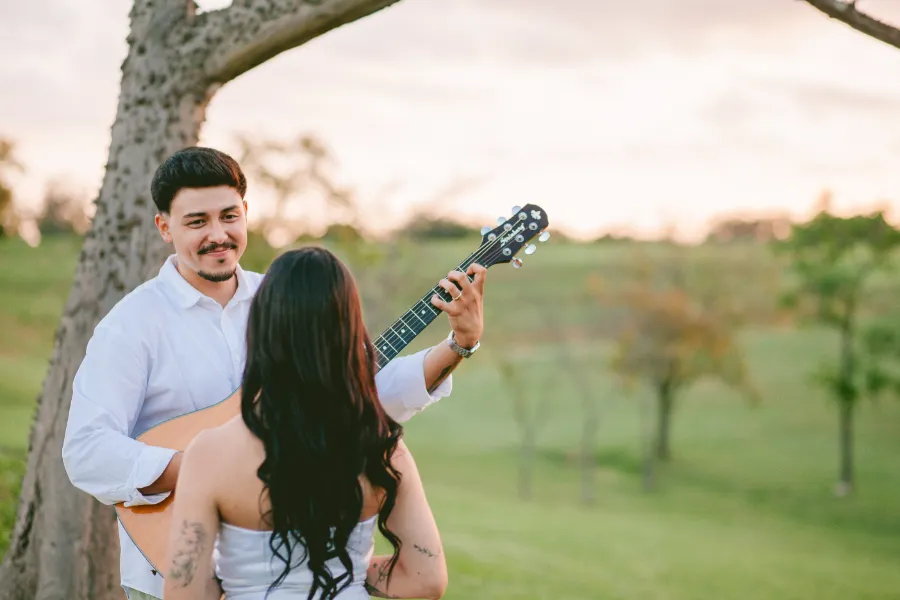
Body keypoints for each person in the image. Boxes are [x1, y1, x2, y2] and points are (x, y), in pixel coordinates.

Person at [61, 147, 486, 600]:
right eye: (196, 221)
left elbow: (360, 391)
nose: (218, 234)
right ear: (164, 227)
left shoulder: (283, 297)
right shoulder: (131, 325)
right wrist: (208, 471)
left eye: (228, 216)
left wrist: (457, 344)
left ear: (245, 212)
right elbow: (86, 451)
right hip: (166, 569)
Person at [163, 246, 451, 600]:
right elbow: (425, 581)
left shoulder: (209, 454)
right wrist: (351, 573)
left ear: (262, 330)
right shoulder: (383, 448)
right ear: (348, 333)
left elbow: (185, 592)